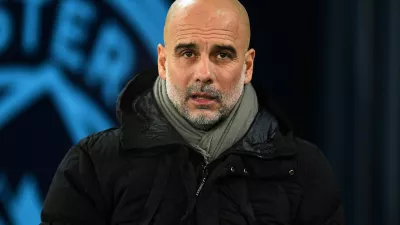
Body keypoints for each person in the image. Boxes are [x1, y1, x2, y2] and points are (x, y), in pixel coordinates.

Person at [40, 0, 344, 224]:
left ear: (247, 66)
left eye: (222, 54)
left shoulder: (304, 171)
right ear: (162, 62)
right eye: (188, 53)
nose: (204, 73)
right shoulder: (92, 165)